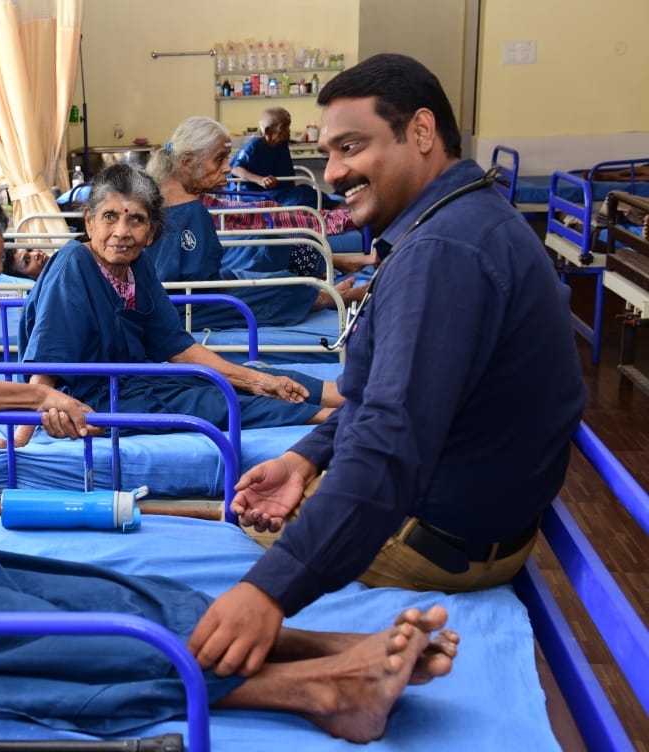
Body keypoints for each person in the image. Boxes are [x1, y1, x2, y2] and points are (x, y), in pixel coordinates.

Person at [0, 164, 458, 743]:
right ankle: (321, 688)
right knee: (74, 645)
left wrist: (35, 398)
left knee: (117, 597)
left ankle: (332, 644)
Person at [189, 54, 585, 680]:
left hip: (440, 541)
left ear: (421, 132)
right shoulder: (463, 221)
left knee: (197, 597)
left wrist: (268, 593)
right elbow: (383, 396)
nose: (336, 170)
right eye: (329, 150)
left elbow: (389, 440)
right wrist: (306, 458)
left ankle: (334, 673)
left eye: (352, 146)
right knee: (248, 501)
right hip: (467, 516)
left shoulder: (443, 254)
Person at [2, 162, 344, 450]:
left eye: (135, 220)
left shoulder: (139, 265)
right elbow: (47, 361)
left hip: (141, 380)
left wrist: (252, 378)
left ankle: (355, 400)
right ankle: (339, 421)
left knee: (265, 375)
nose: (121, 232)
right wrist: (19, 439)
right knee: (211, 403)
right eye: (109, 217)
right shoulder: (73, 263)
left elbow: (176, 346)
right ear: (89, 222)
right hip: (97, 400)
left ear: (151, 231)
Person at [146, 116, 368, 330]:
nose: (227, 168)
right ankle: (327, 298)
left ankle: (324, 288)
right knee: (281, 286)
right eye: (219, 158)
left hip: (192, 292)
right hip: (188, 306)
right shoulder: (190, 209)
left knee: (276, 275)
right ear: (187, 162)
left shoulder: (162, 198)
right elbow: (199, 282)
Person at [229, 106, 325, 208]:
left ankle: (333, 205)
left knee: (306, 191)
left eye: (288, 126)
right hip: (251, 195)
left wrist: (292, 190)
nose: (288, 131)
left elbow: (288, 176)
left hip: (275, 192)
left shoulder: (281, 145)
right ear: (268, 131)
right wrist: (260, 180)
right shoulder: (254, 145)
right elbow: (235, 169)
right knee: (301, 195)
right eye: (284, 127)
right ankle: (334, 205)